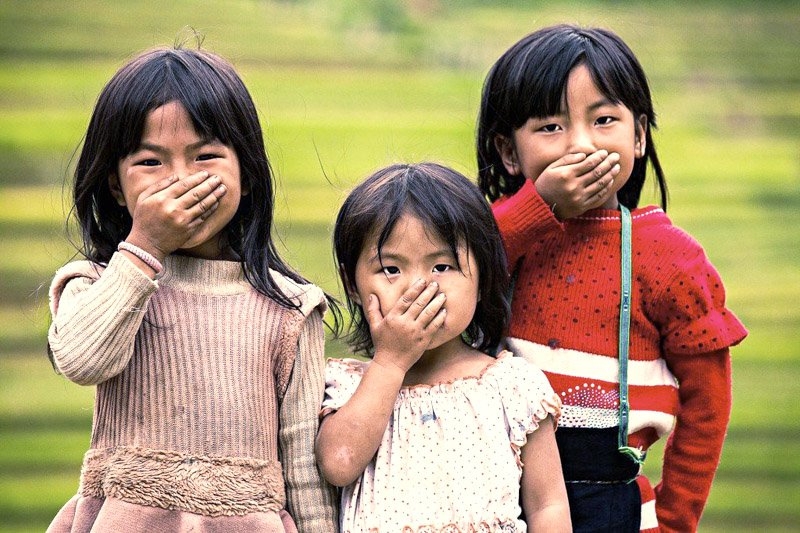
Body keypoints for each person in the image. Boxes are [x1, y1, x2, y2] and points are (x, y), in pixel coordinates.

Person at [45, 45, 338, 533]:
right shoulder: (97, 283)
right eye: (150, 162)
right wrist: (145, 246)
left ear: (246, 175)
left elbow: (304, 470)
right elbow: (82, 360)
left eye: (205, 156)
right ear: (116, 187)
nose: (181, 180)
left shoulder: (289, 309)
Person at [476, 24, 748, 533]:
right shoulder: (494, 237)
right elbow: (459, 274)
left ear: (638, 135)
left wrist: (673, 520)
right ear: (509, 152)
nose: (581, 145)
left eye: (603, 120)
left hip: (612, 504)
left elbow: (707, 403)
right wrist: (538, 208)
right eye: (551, 127)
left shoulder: (670, 258)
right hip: (493, 500)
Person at [315, 162, 572, 532]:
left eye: (442, 266)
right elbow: (339, 464)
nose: (418, 287)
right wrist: (390, 363)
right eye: (391, 269)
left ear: (482, 277)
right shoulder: (348, 387)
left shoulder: (512, 386)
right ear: (352, 284)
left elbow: (548, 505)